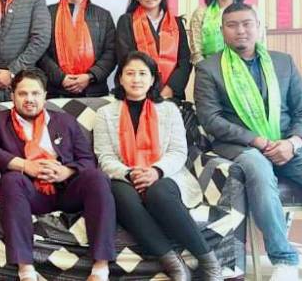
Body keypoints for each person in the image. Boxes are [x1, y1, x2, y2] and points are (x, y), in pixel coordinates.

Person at [195, 3, 302, 281]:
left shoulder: (282, 62)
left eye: (247, 24)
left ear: (258, 27)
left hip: (288, 144)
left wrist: (293, 142)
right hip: (243, 146)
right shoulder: (208, 68)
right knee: (259, 169)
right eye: (232, 25)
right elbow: (211, 119)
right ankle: (284, 259)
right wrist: (257, 141)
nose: (240, 30)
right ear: (222, 31)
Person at [0, 68, 116, 281]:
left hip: (67, 190)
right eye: (23, 94)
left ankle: (100, 269)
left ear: (45, 96)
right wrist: (25, 165)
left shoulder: (64, 121)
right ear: (12, 96)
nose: (29, 99)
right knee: (11, 179)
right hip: (30, 193)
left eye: (35, 93)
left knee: (97, 178)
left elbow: (87, 160)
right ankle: (26, 271)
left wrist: (66, 171)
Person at [93, 51, 221, 281]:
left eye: (143, 73)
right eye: (130, 73)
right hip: (125, 177)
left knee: (158, 191)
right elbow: (105, 157)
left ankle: (210, 263)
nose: (136, 79)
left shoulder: (169, 110)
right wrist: (130, 173)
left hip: (167, 175)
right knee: (118, 192)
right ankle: (175, 266)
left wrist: (156, 171)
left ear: (152, 79)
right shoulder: (105, 113)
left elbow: (178, 152)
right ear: (120, 78)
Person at [38, 0, 116, 97]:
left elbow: (111, 52)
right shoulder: (47, 13)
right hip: (56, 91)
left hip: (94, 91)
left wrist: (90, 76)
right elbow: (40, 50)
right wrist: (61, 78)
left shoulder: (103, 15)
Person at [115, 0, 192, 100]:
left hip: (171, 95)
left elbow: (184, 60)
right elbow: (124, 58)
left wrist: (170, 89)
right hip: (137, 92)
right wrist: (144, 89)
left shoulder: (177, 23)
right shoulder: (126, 21)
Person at [189, 0, 264, 65]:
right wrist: (208, 72)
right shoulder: (201, 14)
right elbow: (197, 54)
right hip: (210, 71)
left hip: (247, 69)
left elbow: (260, 47)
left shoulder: (252, 12)